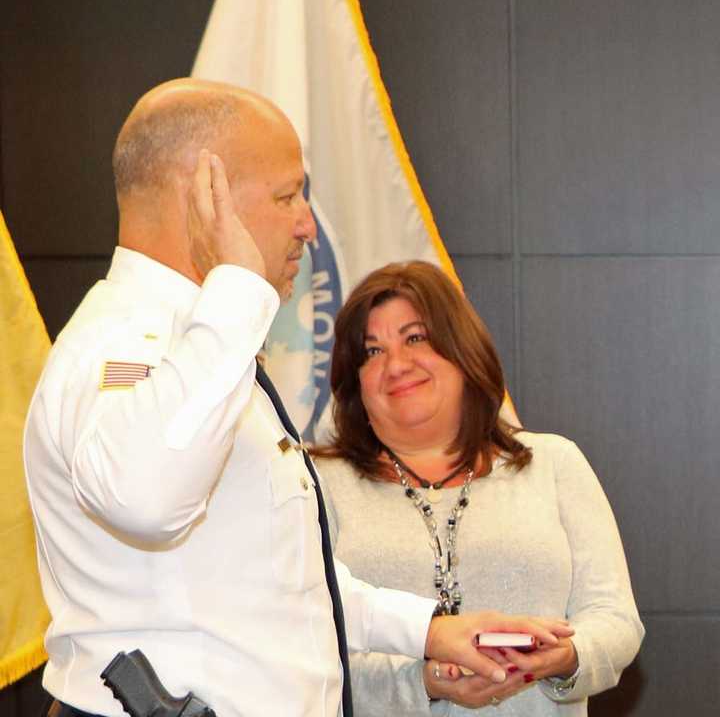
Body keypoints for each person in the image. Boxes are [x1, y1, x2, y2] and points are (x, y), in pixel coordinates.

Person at [23, 80, 573, 717]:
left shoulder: (202, 345)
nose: (308, 225)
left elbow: (281, 581)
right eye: (288, 195)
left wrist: (427, 629)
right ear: (203, 197)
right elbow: (145, 499)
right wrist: (236, 289)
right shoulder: (123, 346)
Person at [317, 260, 645, 715]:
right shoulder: (316, 484)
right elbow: (305, 656)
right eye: (372, 352)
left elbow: (616, 621)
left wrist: (565, 658)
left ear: (462, 351)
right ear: (354, 380)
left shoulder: (554, 463)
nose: (396, 365)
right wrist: (422, 681)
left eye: (416, 338)